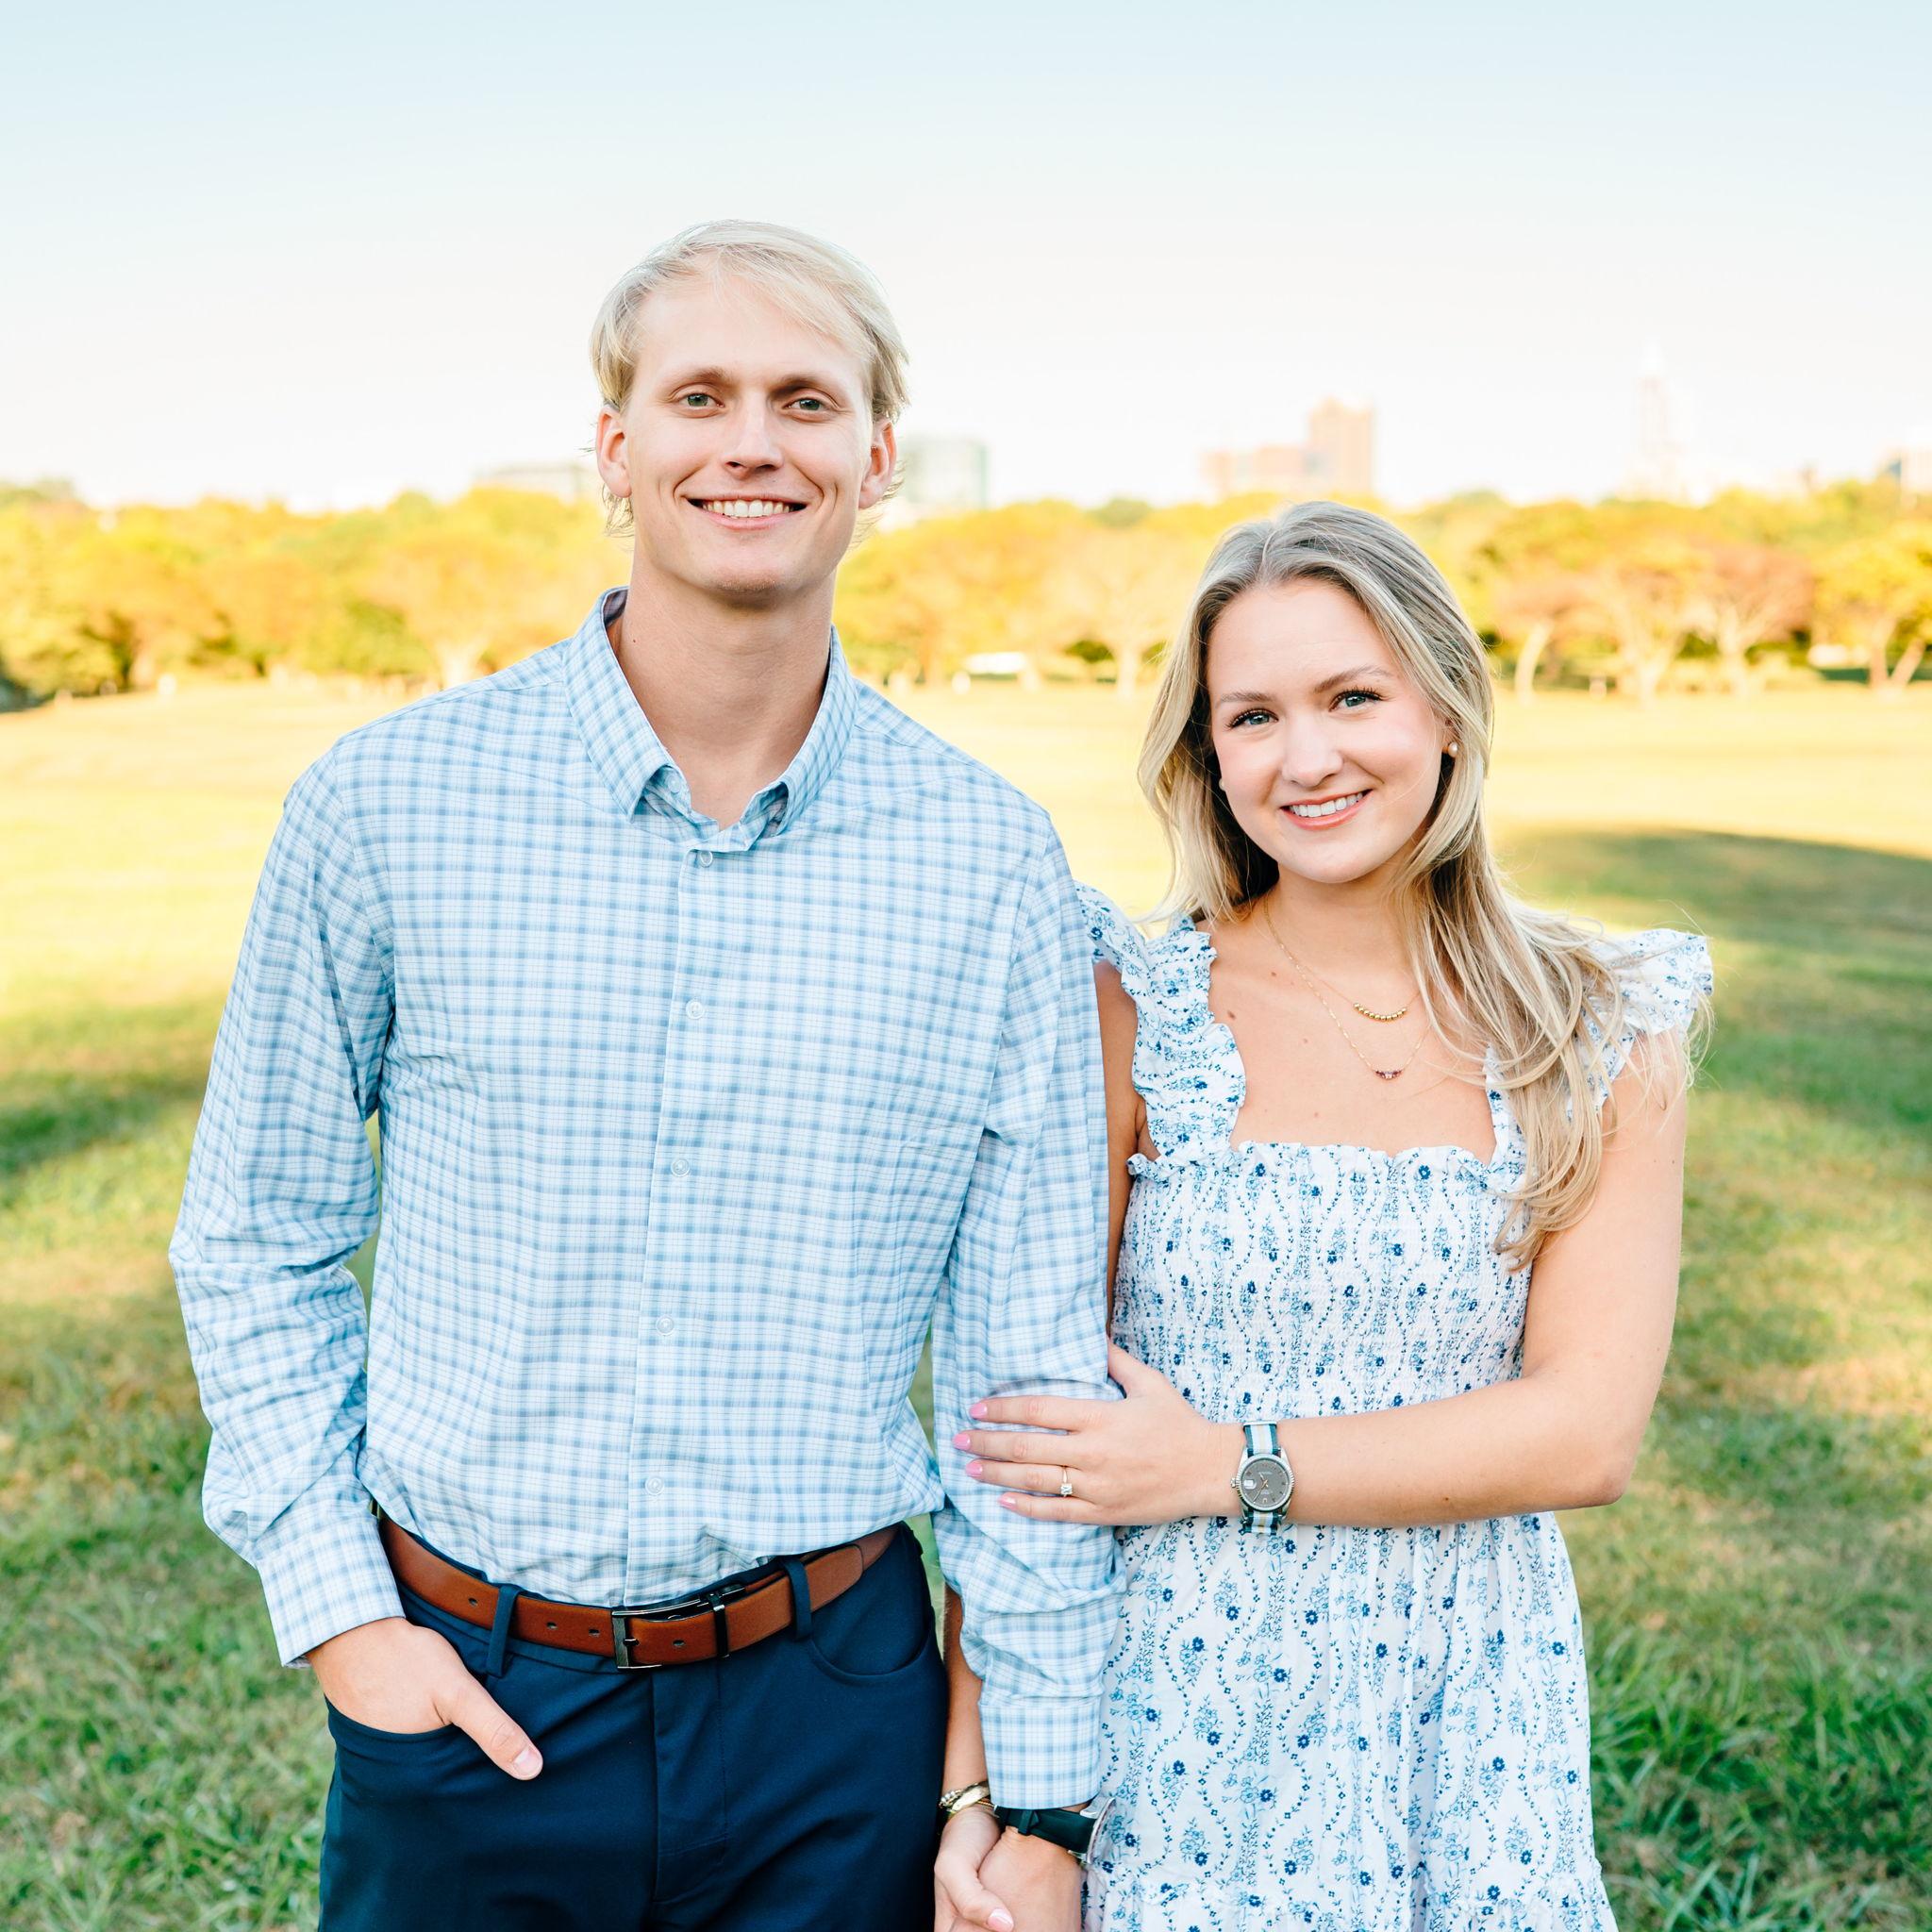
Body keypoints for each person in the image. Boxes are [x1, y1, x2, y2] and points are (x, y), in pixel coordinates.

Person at [170, 219, 1118, 1931]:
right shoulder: (386, 805)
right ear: (615, 449)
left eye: (806, 401)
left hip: (835, 1714)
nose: (753, 441)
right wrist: (346, 1621)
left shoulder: (993, 864)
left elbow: (1024, 1372)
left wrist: (1030, 1797)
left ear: (877, 460)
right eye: (700, 396)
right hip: (469, 1690)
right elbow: (258, 1233)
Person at [936, 501, 1710, 1930]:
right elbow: (1024, 1441)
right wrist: (995, 1806)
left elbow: (1586, 1431)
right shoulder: (1133, 1007)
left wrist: (1220, 1463)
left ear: (1448, 711)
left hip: (1462, 1710)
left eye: (1353, 697)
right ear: (1208, 756)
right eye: (1253, 717)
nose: (1306, 758)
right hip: (1163, 1712)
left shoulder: (1599, 1025)